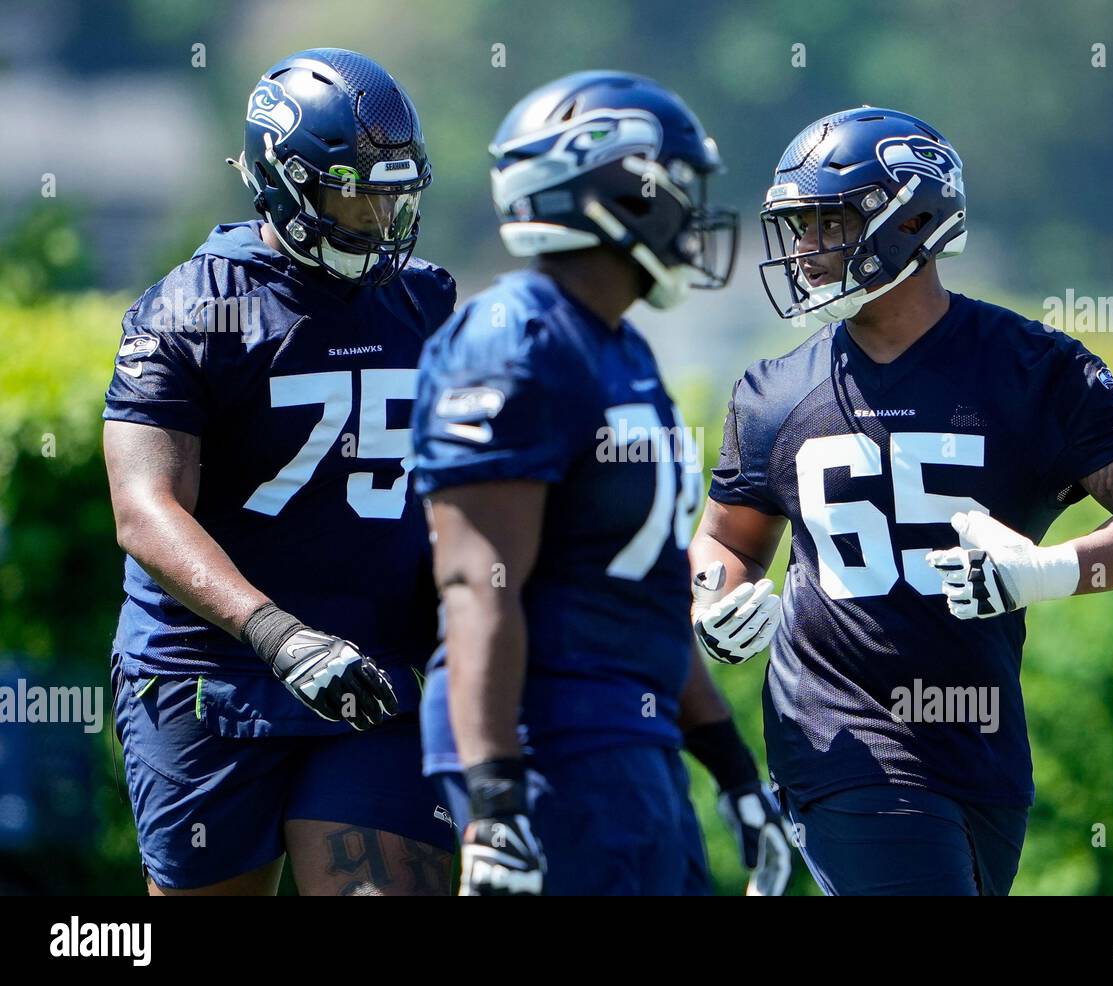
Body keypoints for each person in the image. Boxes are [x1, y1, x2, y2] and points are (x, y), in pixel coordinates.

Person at [689, 106, 1113, 895]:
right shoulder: (773, 390)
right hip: (840, 742)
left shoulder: (1033, 368)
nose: (803, 248)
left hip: (982, 748)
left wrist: (1050, 571)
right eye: (796, 225)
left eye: (827, 219)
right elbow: (727, 542)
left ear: (915, 218)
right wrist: (710, 604)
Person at [412, 71, 789, 895]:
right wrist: (495, 799)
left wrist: (731, 768)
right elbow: (477, 582)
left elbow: (646, 592)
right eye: (678, 185)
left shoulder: (620, 347)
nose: (693, 211)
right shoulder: (514, 337)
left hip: (631, 742)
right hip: (545, 745)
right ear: (617, 188)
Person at [103, 48, 456, 895]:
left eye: (393, 195)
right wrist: (281, 637)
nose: (378, 219)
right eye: (353, 194)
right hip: (210, 671)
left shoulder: (425, 299)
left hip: (370, 671)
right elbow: (145, 508)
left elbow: (463, 483)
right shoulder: (191, 310)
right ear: (285, 181)